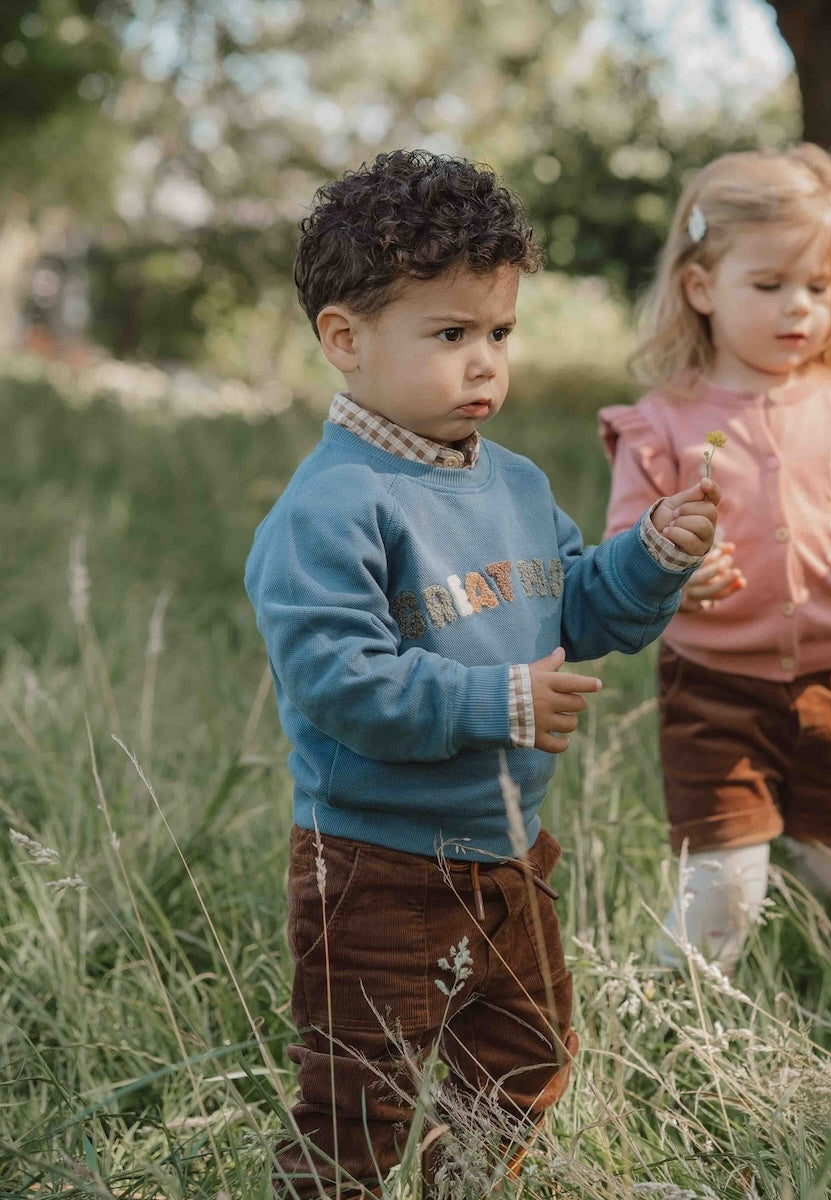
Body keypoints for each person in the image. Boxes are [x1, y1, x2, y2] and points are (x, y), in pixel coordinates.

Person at [245, 148, 719, 1198]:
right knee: (357, 1107)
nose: (485, 364)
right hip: (373, 867)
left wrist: (654, 554)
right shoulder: (334, 508)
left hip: (507, 856)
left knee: (528, 1061)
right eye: (450, 334)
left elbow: (580, 609)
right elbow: (338, 682)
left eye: (500, 332)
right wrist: (499, 700)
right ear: (345, 339)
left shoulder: (514, 482)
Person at [600, 144, 831, 973]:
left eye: (819, 289)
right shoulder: (662, 426)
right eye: (769, 286)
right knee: (727, 886)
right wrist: (675, 573)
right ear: (701, 288)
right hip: (714, 689)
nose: (799, 308)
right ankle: (665, 1007)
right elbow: (625, 548)